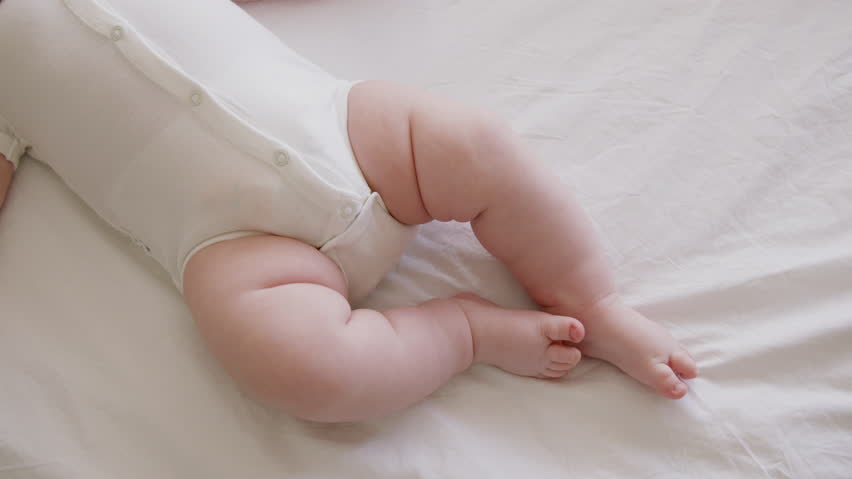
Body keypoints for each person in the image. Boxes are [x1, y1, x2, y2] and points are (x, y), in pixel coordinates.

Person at [0, 0, 696, 422]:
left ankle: (592, 302)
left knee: (477, 145)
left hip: (346, 130)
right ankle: (462, 333)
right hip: (236, 247)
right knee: (298, 368)